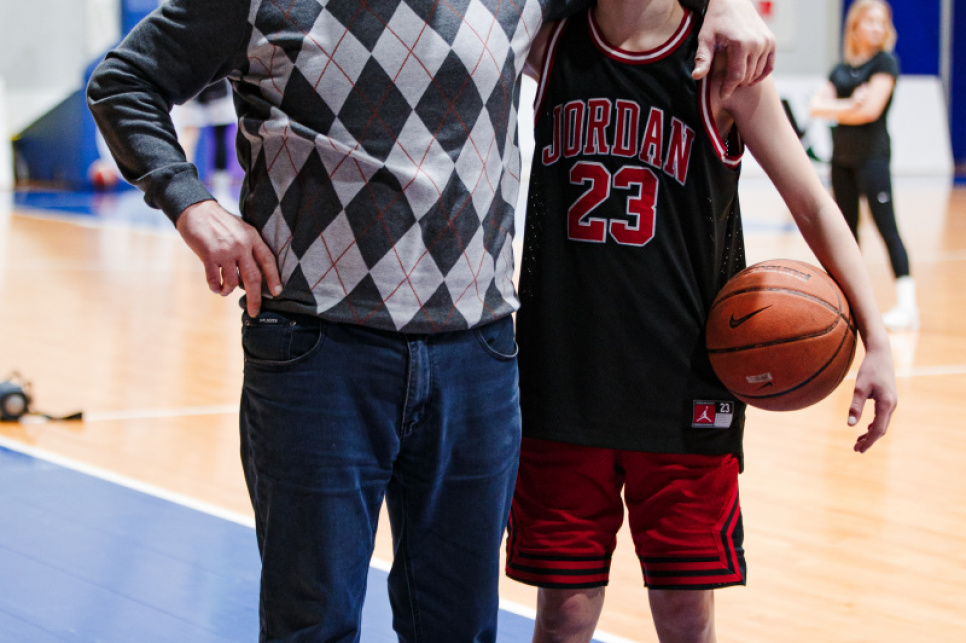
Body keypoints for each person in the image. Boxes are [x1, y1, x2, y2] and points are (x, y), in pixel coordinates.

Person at [86, 0, 774, 640]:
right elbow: (124, 81)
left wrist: (723, 1)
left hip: (475, 357)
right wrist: (190, 204)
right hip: (317, 351)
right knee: (312, 625)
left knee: (457, 629)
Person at [504, 0, 896, 641]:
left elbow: (813, 204)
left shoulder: (725, 63)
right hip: (563, 387)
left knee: (686, 616)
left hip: (684, 393)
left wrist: (877, 337)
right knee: (563, 616)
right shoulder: (549, 41)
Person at [809, 0, 916, 331]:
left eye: (881, 22)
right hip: (841, 160)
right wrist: (849, 104)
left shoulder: (885, 63)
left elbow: (870, 112)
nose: (876, 28)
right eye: (870, 21)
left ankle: (907, 306)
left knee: (887, 227)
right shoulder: (841, 69)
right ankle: (848, 303)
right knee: (846, 234)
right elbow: (815, 106)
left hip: (873, 159)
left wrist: (836, 107)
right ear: (854, 26)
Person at [171, 79, 237, 211]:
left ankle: (220, 191)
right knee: (190, 135)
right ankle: (184, 188)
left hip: (210, 87)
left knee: (218, 136)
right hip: (192, 87)